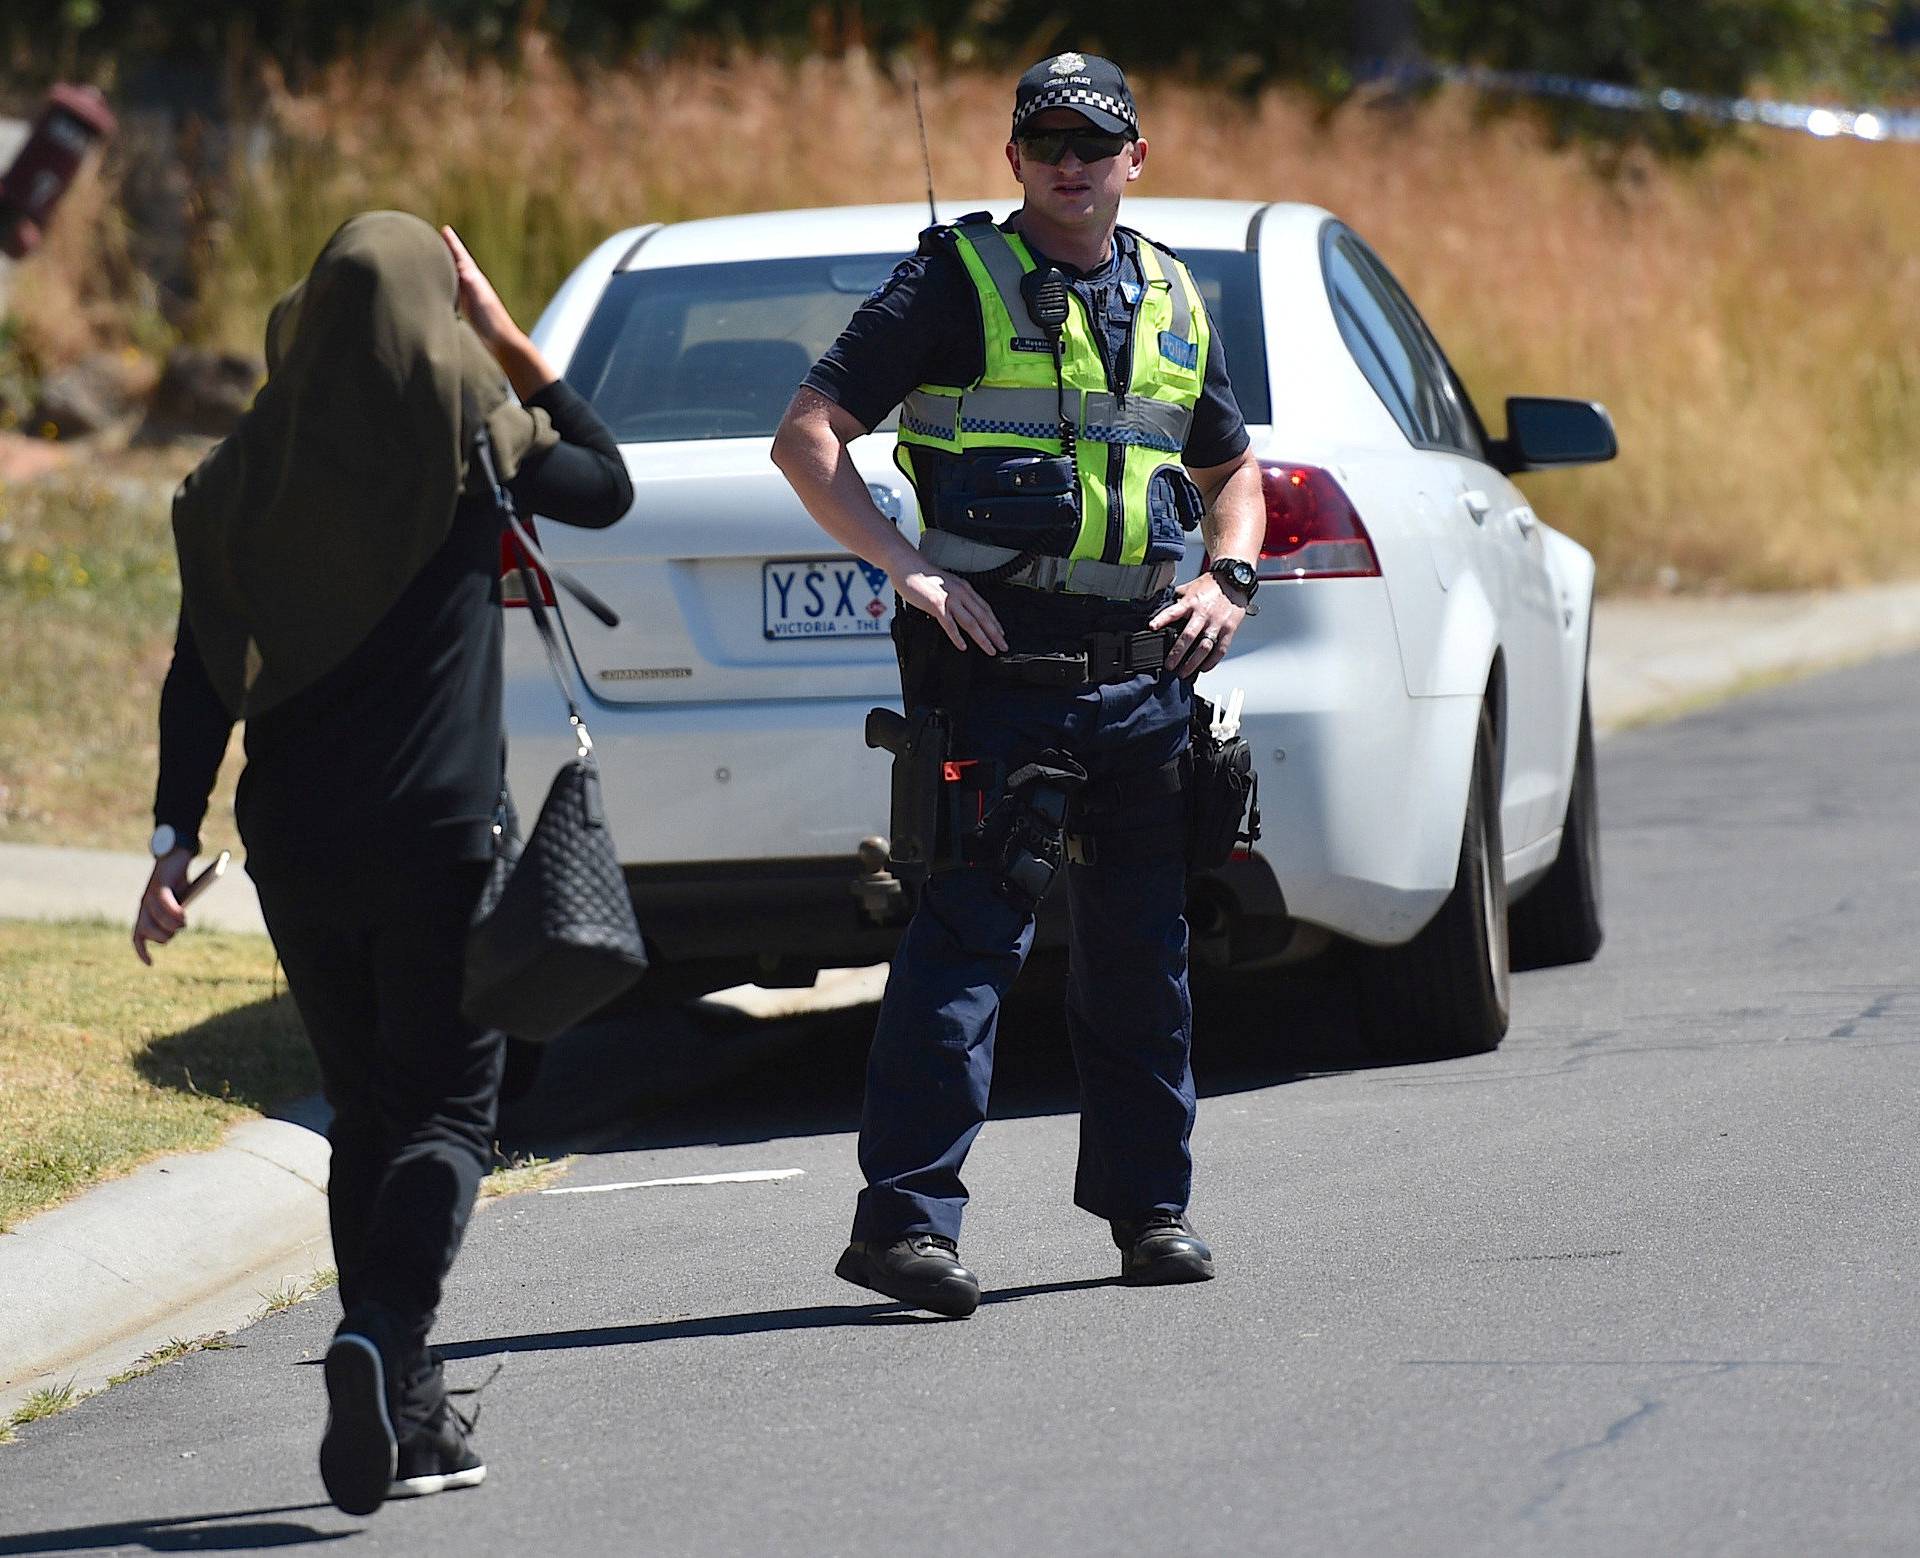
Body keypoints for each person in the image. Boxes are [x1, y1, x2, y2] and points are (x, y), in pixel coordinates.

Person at [132, 211, 633, 1513]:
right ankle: (380, 1333)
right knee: (455, 1114)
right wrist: (508, 335)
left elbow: (199, 675)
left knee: (369, 1113)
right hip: (438, 840)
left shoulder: (247, 475)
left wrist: (171, 837)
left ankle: (410, 1418)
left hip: (294, 850)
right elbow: (605, 477)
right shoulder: (471, 437)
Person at [771, 54, 1265, 1318]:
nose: (1069, 160)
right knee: (964, 957)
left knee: (1144, 962)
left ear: (1135, 159)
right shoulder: (954, 278)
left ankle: (1151, 1211)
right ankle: (904, 1231)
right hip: (997, 680)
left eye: (1094, 142)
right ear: (1014, 158)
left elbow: (1234, 471)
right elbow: (808, 436)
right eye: (1045, 138)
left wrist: (1232, 580)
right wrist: (908, 570)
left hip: (1144, 681)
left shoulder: (1169, 296)